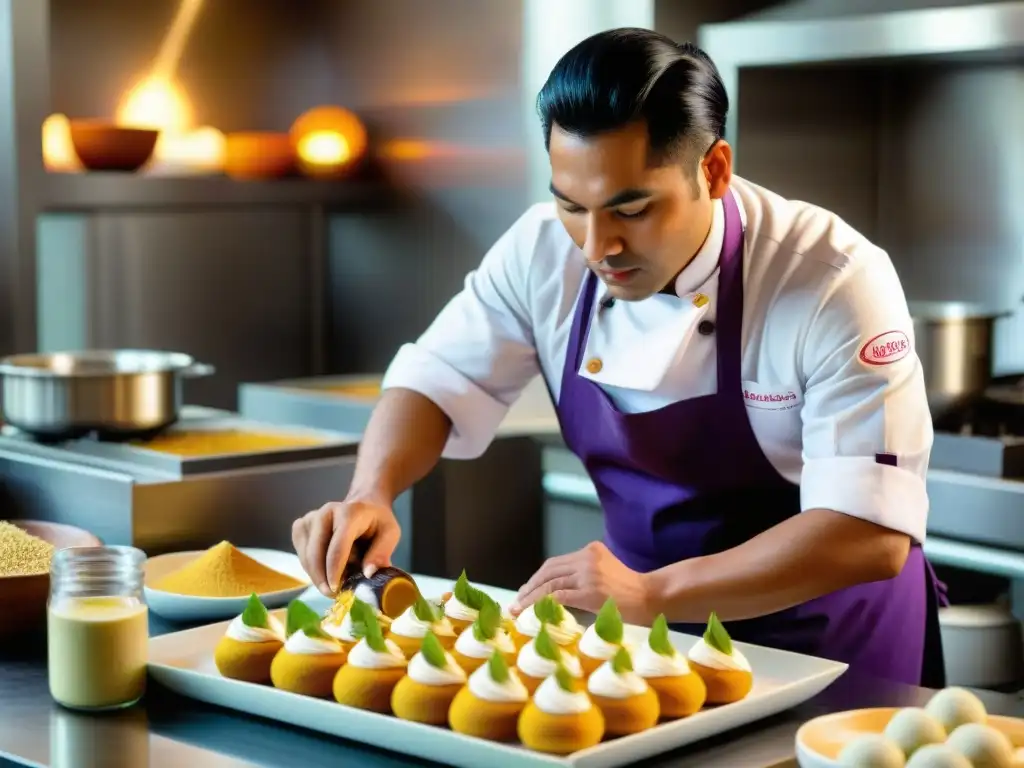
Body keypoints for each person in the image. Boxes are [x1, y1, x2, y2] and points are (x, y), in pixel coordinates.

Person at [292, 28, 944, 687]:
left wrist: (652, 593)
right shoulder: (543, 250)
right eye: (572, 205)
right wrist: (371, 490)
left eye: (631, 209)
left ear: (713, 170)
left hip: (826, 649)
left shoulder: (830, 278)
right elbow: (436, 379)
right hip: (641, 647)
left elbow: (869, 536)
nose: (598, 247)